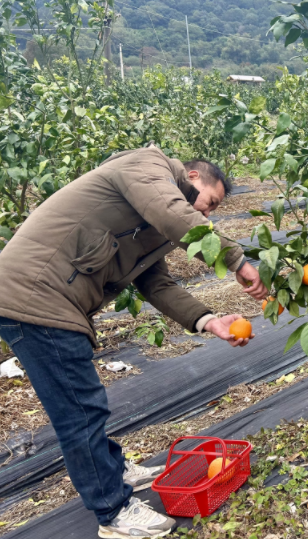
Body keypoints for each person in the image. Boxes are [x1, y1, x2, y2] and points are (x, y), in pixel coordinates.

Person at [0, 145, 269, 538]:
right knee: (80, 412)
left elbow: (155, 282)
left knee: (84, 404)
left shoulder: (154, 225)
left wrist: (209, 320)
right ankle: (114, 512)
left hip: (50, 298)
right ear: (193, 176)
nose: (206, 215)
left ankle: (112, 469)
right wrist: (237, 259)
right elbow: (171, 212)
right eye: (209, 203)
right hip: (34, 297)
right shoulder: (146, 166)